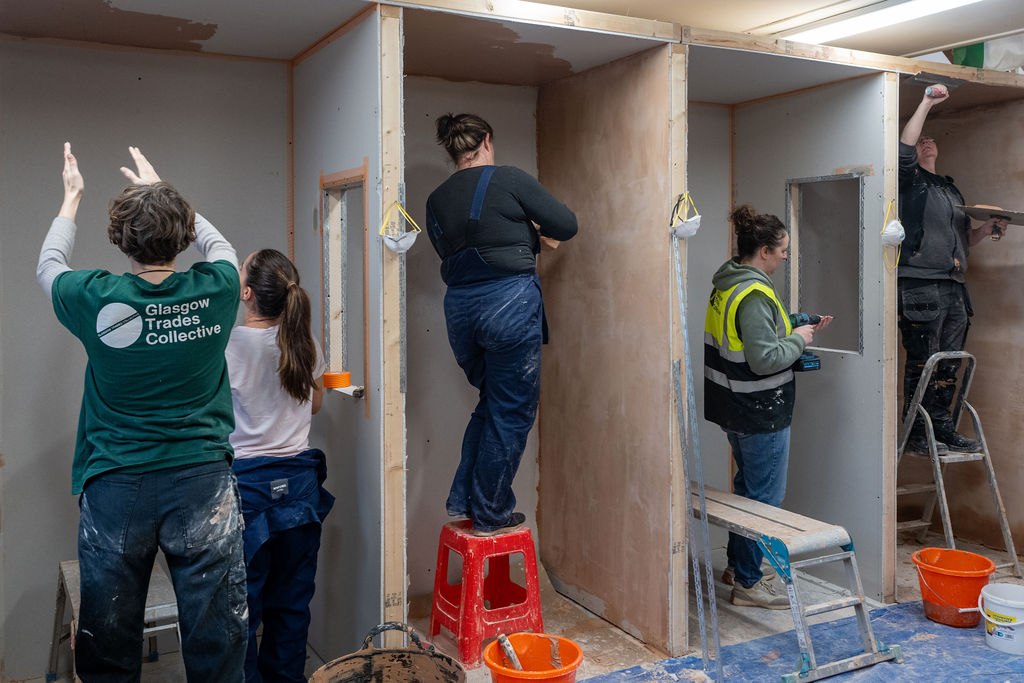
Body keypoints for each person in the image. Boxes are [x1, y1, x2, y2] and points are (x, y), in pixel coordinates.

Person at [37, 144, 246, 680]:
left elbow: (49, 266)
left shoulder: (95, 297)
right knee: (217, 638)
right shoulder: (219, 289)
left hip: (116, 485)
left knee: (108, 640)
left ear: (119, 239)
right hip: (202, 481)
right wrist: (168, 197)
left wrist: (72, 197)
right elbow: (220, 245)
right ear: (181, 235)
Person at [425, 113, 577, 536]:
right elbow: (567, 224)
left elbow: (446, 251)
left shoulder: (436, 199)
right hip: (507, 305)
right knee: (512, 411)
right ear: (487, 140)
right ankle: (491, 512)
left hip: (460, 312)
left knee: (493, 402)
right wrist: (529, 231)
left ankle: (467, 500)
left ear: (453, 151)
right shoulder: (508, 178)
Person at [703, 205, 832, 609]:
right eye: (783, 251)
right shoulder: (755, 292)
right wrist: (801, 340)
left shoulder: (729, 283)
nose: (785, 256)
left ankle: (738, 566)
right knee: (763, 500)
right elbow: (764, 359)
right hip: (760, 410)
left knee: (746, 492)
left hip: (732, 406)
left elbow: (751, 335)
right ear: (763, 251)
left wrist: (793, 323)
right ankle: (749, 582)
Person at [226, 248, 334, 683]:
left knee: (240, 614)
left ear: (247, 292)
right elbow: (316, 404)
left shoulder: (229, 344)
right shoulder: (305, 342)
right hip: (300, 488)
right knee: (290, 607)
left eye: (241, 268)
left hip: (248, 490)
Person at [897, 84, 1008, 453]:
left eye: (930, 140)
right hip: (920, 284)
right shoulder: (909, 182)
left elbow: (962, 239)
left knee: (948, 364)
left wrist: (984, 232)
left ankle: (941, 427)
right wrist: (926, 102)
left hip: (953, 284)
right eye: (920, 141)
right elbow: (904, 149)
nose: (925, 142)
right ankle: (915, 434)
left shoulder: (948, 188)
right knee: (924, 362)